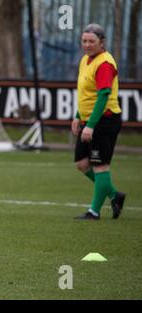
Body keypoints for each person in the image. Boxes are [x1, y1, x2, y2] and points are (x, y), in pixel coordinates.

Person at [72, 24, 125, 220]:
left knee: (100, 165)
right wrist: (79, 116)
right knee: (82, 163)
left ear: (102, 42)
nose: (87, 45)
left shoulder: (104, 64)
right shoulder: (86, 60)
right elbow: (87, 94)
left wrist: (91, 125)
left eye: (91, 41)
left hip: (104, 121)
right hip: (89, 119)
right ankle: (114, 195)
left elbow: (103, 96)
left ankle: (94, 211)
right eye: (84, 41)